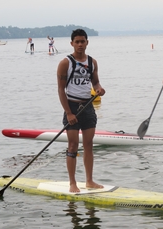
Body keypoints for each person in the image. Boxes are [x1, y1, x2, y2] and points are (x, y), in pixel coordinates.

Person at [57, 29, 105, 193]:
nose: (80, 44)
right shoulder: (65, 63)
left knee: (89, 145)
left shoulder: (92, 62)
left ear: (87, 42)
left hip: (88, 107)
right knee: (72, 146)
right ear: (72, 43)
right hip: (72, 106)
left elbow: (96, 83)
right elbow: (61, 90)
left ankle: (89, 181)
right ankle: (72, 183)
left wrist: (99, 89)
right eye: (76, 42)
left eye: (82, 41)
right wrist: (69, 113)